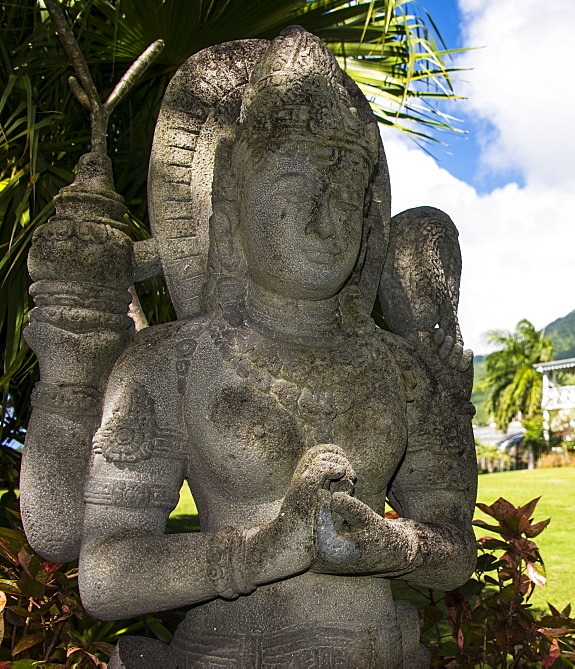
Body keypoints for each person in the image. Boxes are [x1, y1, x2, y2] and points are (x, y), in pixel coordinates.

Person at [30, 26, 477, 667]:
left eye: (348, 195)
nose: (327, 220)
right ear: (233, 206)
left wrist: (386, 546)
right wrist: (264, 550)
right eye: (298, 191)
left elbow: (453, 549)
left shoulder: (400, 370)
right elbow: (107, 574)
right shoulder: (170, 364)